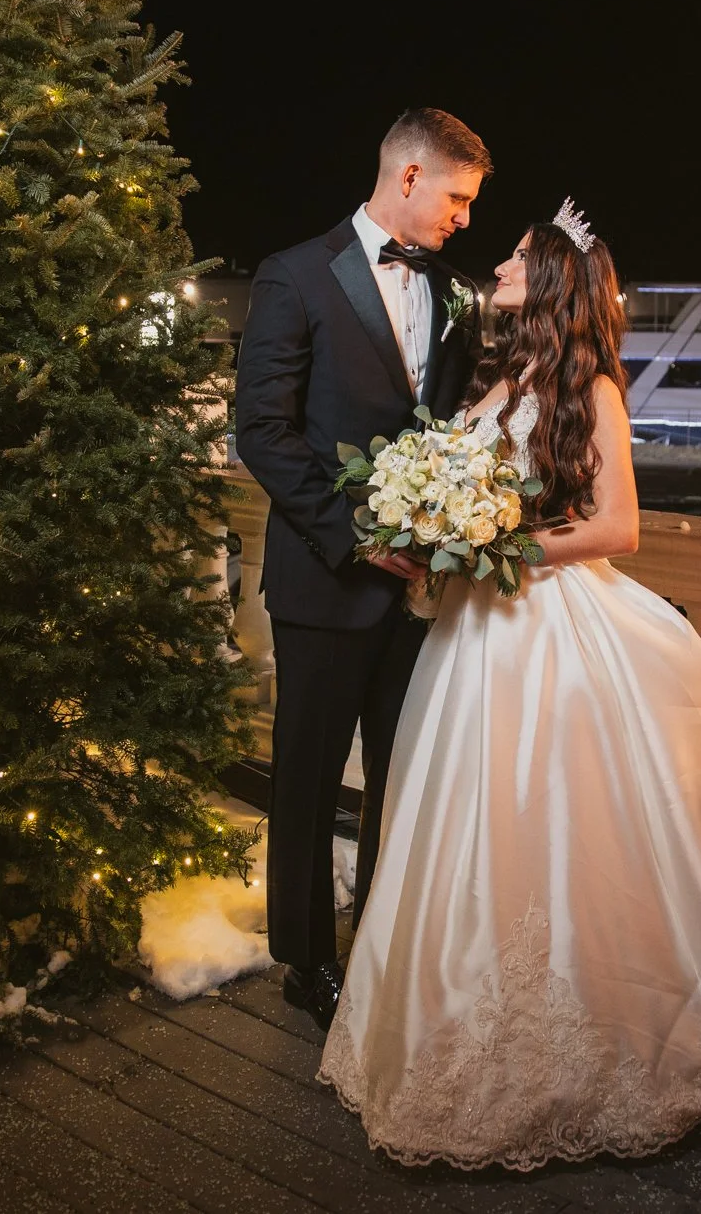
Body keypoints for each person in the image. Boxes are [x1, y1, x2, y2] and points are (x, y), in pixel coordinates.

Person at [317, 203, 701, 1170]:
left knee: (554, 820)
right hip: (473, 634)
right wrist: (435, 524)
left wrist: (501, 546)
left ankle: (592, 1046)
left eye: (518, 256)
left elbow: (618, 527)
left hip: (548, 627)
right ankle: (450, 1025)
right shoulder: (502, 379)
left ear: (554, 280)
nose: (499, 263)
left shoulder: (593, 389)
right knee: (462, 816)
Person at [234, 109, 492, 1030]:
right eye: (458, 197)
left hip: (418, 589)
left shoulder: (458, 293)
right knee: (307, 777)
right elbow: (261, 431)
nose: (464, 218)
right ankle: (306, 962)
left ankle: (382, 947)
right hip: (324, 577)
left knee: (403, 775)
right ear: (410, 176)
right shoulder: (295, 274)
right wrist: (352, 537)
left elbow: (454, 426)